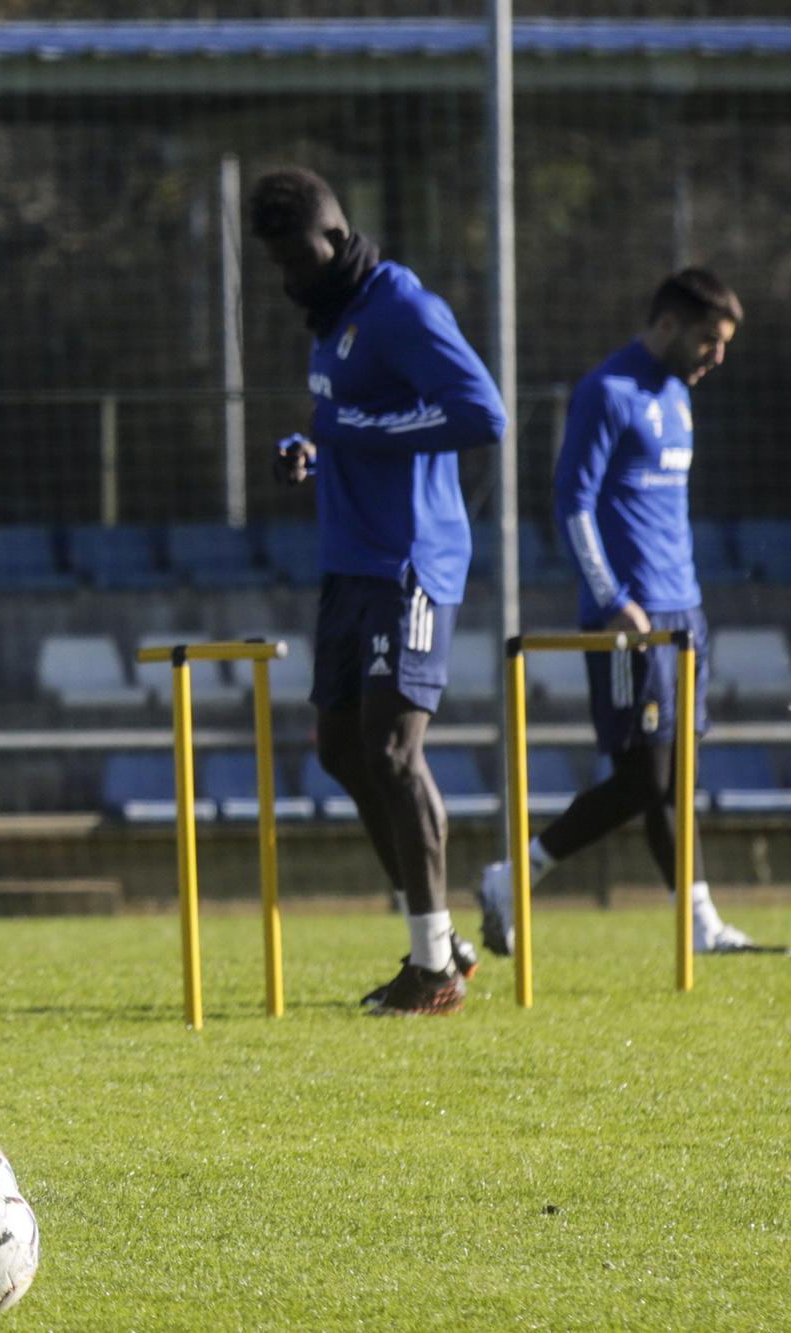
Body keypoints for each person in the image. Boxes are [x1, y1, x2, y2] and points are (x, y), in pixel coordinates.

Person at [253, 167, 507, 1015]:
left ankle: (434, 965)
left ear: (335, 238)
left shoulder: (403, 308)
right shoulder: (333, 320)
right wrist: (313, 450)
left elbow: (481, 413)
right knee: (340, 749)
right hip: (347, 563)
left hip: (411, 565)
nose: (288, 279)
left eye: (296, 259)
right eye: (275, 264)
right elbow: (355, 425)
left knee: (396, 750)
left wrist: (350, 430)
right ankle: (442, 941)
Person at [479, 269, 753, 955]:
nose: (716, 358)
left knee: (672, 776)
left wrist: (686, 603)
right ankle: (514, 876)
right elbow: (572, 503)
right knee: (645, 777)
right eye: (708, 342)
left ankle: (701, 922)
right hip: (629, 620)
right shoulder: (608, 391)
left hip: (683, 612)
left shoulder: (678, 397)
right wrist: (611, 599)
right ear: (667, 325)